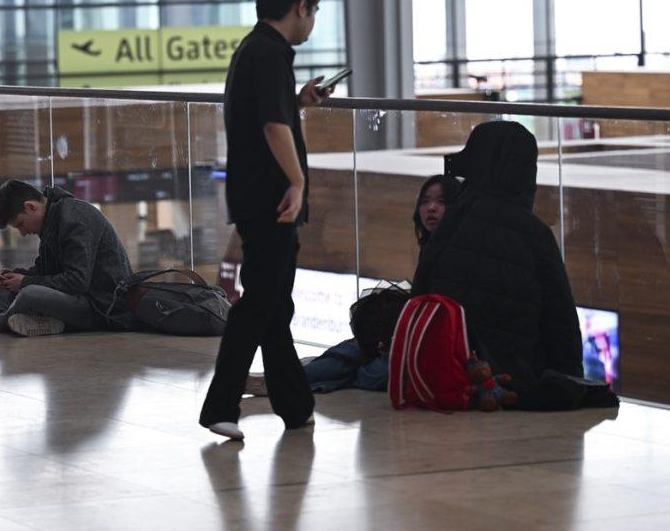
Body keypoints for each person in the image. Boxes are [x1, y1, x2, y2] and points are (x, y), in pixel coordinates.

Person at [198, 0, 335, 441]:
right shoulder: (271, 55)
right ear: (300, 8)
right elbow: (273, 128)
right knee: (260, 304)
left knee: (274, 304)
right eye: (313, 11)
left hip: (254, 197)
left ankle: (294, 405)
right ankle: (220, 405)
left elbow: (273, 113)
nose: (311, 21)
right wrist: (297, 182)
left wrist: (299, 101)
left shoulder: (253, 51)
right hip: (273, 200)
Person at [413, 121, 604, 410]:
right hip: (519, 385)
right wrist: (570, 385)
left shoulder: (451, 225)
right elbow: (560, 322)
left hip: (451, 379)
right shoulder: (533, 233)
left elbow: (421, 295)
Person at [245, 175, 461, 396]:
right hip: (410, 336)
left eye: (441, 202)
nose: (431, 208)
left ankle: (298, 376)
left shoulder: (459, 252)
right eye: (425, 201)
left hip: (437, 344)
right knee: (353, 351)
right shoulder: (429, 248)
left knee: (370, 372)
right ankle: (280, 379)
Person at [0, 179, 133, 337]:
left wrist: (25, 283)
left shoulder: (75, 220)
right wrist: (14, 278)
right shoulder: (50, 221)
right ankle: (41, 321)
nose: (23, 233)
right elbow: (44, 271)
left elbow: (78, 281)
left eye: (20, 224)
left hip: (101, 307)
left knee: (29, 294)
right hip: (75, 297)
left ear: (31, 206)